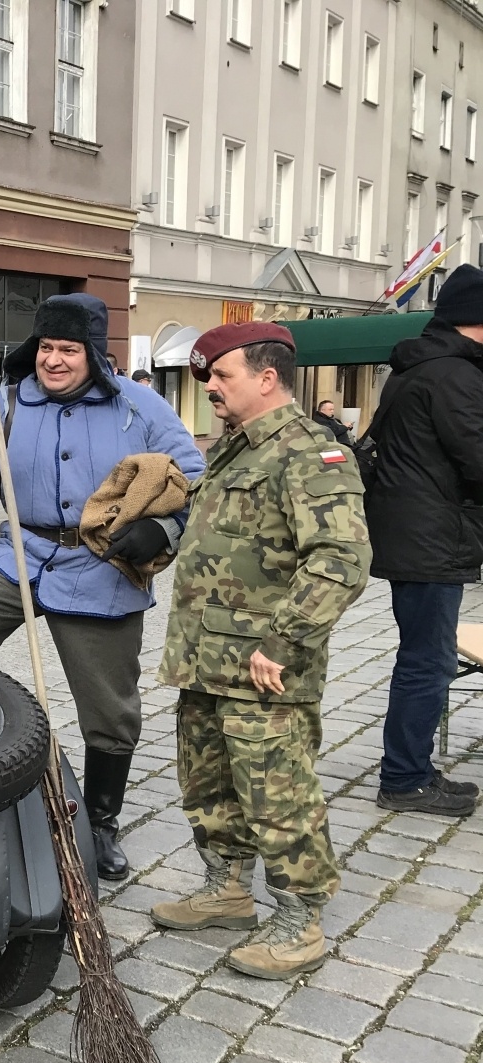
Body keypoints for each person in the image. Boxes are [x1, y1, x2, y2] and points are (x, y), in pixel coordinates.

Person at [0, 294, 204, 881]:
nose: (53, 360)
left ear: (93, 353)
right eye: (46, 347)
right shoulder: (2, 406)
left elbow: (195, 480)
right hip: (18, 554)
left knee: (110, 706)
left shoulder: (140, 407)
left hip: (102, 562)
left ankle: (100, 821)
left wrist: (163, 528)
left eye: (68, 349)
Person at [149, 322, 369, 980]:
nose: (210, 388)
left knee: (278, 792)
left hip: (263, 666)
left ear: (267, 378)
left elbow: (342, 559)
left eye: (223, 375)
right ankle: (226, 890)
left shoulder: (309, 452)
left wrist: (284, 639)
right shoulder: (234, 448)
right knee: (208, 783)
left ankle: (301, 921)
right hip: (205, 659)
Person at [363, 265, 483, 818]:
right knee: (428, 663)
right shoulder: (454, 375)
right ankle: (405, 779)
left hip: (416, 534)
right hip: (431, 538)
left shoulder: (421, 367)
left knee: (424, 658)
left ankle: (412, 770)